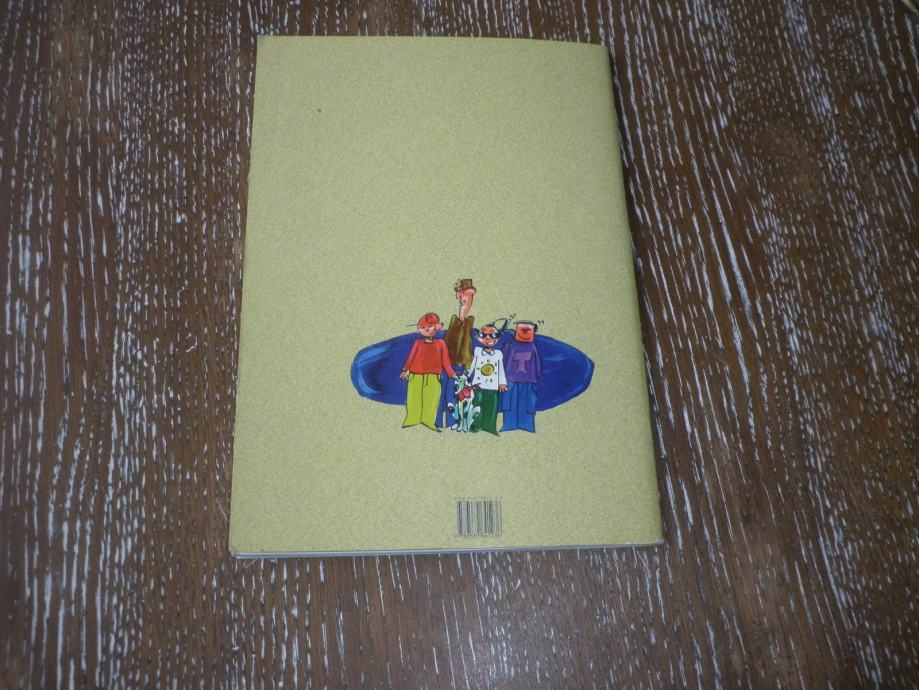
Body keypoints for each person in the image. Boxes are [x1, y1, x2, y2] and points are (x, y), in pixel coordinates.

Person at [400, 313, 456, 431]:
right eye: (423, 327)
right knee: (413, 397)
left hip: (433, 376)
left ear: (438, 327)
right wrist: (405, 370)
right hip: (415, 375)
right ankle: (412, 419)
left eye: (430, 326)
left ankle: (428, 421)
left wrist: (451, 373)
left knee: (431, 399)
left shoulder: (441, 343)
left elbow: (445, 361)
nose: (426, 329)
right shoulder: (418, 343)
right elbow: (411, 357)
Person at [500, 321, 542, 432]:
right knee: (510, 402)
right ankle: (509, 424)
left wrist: (536, 376)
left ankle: (526, 424)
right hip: (511, 379)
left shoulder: (532, 347)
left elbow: (536, 363)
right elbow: (503, 361)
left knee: (527, 403)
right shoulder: (510, 345)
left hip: (528, 380)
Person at [468, 323, 508, 435]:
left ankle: (489, 426)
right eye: (483, 335)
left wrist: (502, 383)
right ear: (478, 337)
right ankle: (476, 424)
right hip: (478, 384)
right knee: (477, 404)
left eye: (492, 335)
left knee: (491, 405)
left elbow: (501, 369)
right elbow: (473, 365)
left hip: (493, 385)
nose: (488, 338)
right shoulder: (477, 351)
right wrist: (467, 375)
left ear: (498, 338)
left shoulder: (498, 354)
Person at [444, 279, 476, 370]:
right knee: (461, 314)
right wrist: (458, 289)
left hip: (465, 306)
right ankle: (461, 320)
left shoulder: (469, 291)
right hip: (462, 306)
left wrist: (460, 289)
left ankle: (462, 320)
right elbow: (458, 295)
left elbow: (472, 291)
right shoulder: (462, 292)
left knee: (463, 314)